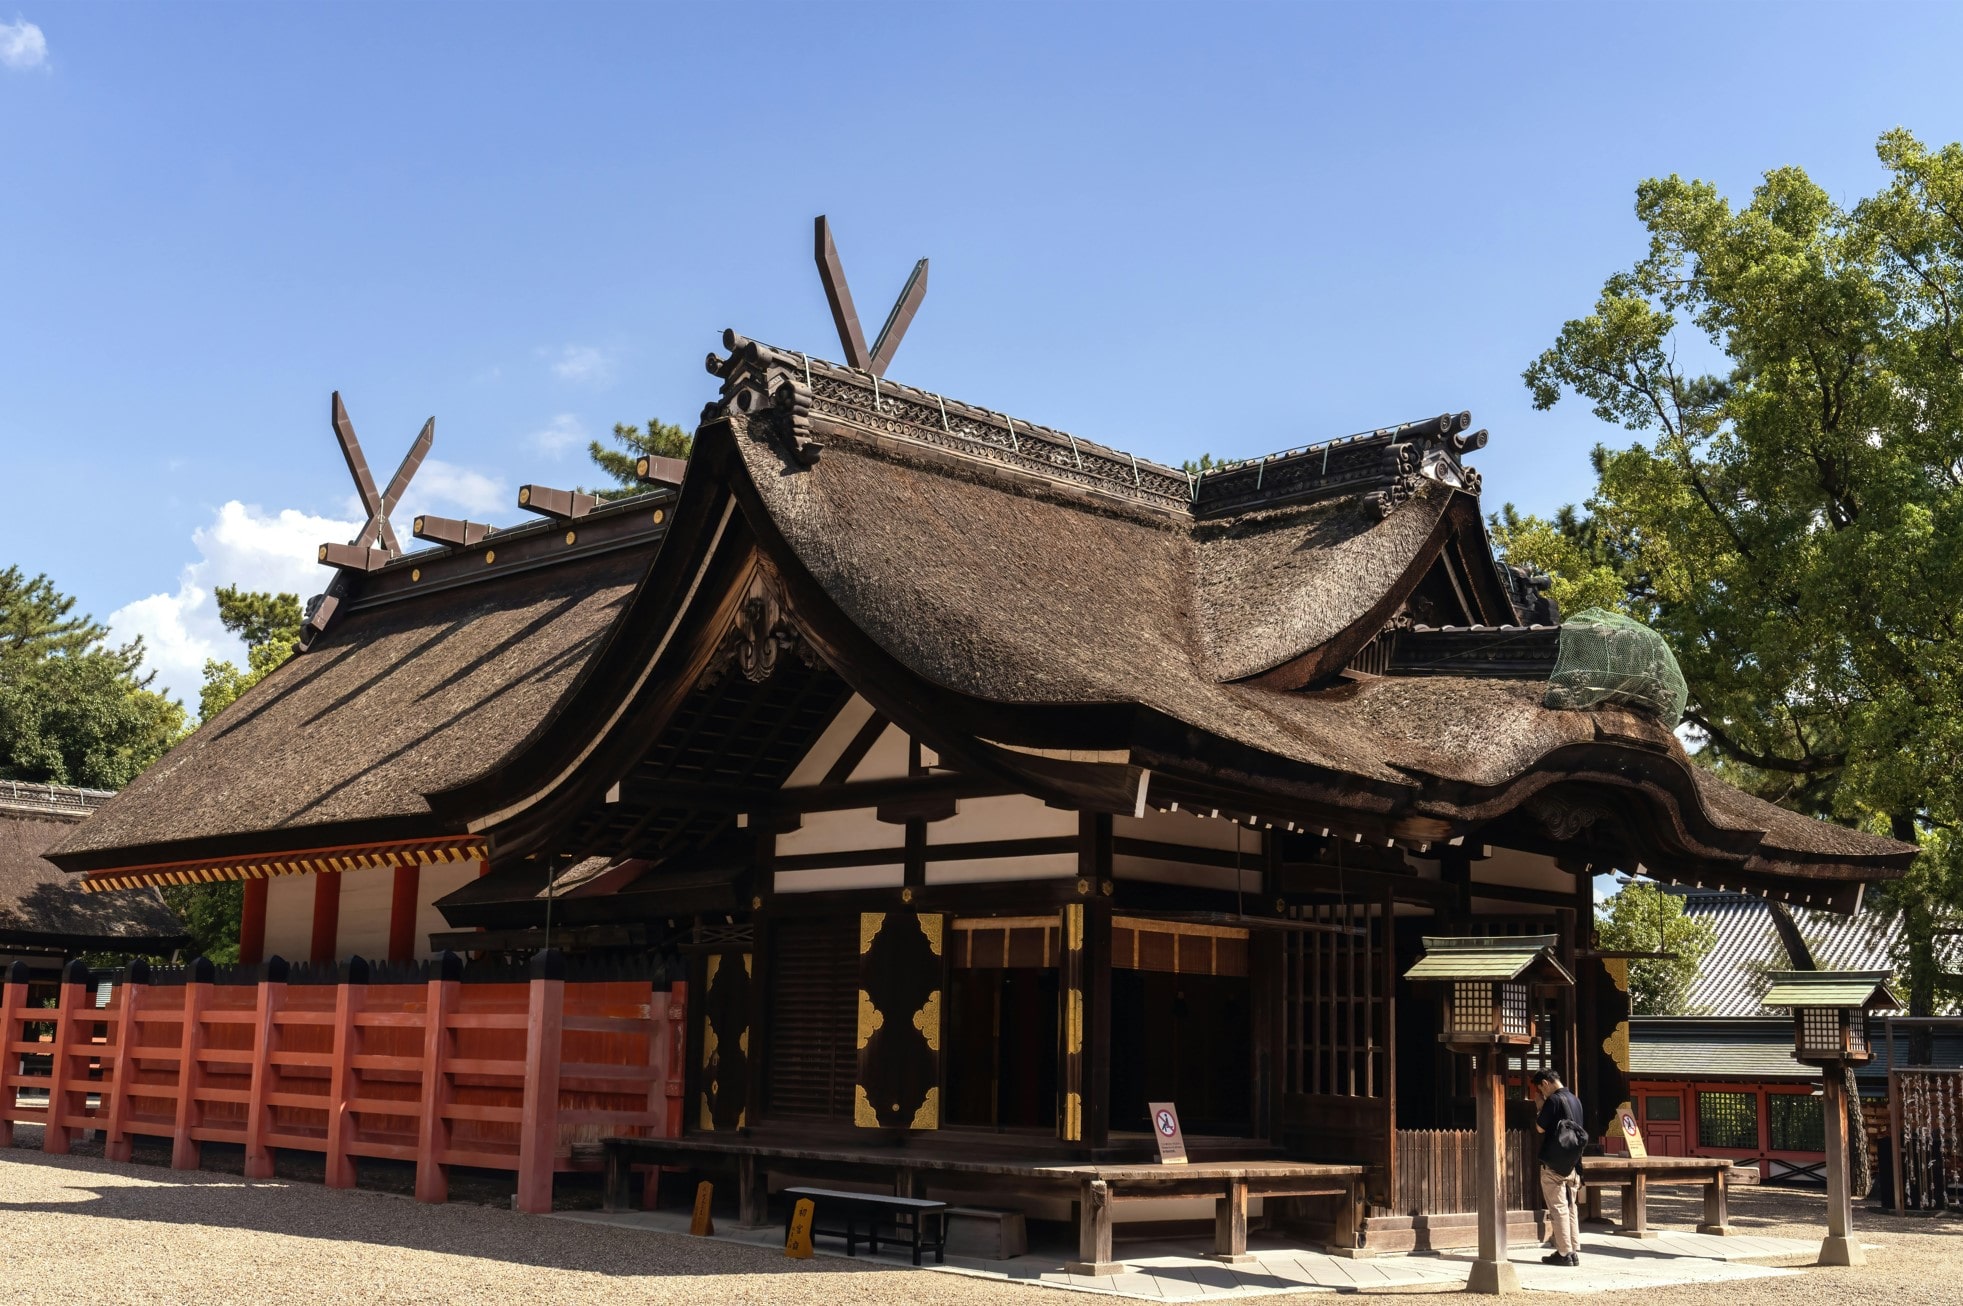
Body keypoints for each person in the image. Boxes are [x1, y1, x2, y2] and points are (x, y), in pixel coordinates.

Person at [1531, 1069, 1586, 1267]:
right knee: (1571, 1207)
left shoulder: (1553, 1101)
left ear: (1545, 1083)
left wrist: (1539, 1107)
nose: (1541, 1092)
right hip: (1573, 1163)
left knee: (1558, 1208)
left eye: (1540, 1089)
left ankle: (1564, 1253)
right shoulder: (1575, 1100)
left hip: (1554, 1164)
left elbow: (1540, 1127)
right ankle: (1573, 1250)